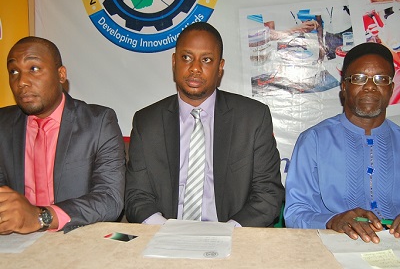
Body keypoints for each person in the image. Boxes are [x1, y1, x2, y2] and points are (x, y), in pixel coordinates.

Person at [124, 22, 284, 227]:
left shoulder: (253, 119)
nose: (195, 68)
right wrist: (165, 231)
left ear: (220, 67)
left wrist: (228, 232)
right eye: (186, 58)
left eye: (206, 60)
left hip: (233, 238)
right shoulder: (146, 122)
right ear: (174, 62)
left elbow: (268, 194)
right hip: (165, 237)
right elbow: (136, 195)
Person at [0, 36, 125, 234]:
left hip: (74, 241)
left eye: (34, 69)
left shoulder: (98, 122)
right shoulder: (3, 124)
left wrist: (41, 217)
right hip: (15, 243)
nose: (21, 82)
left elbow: (109, 200)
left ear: (61, 74)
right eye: (14, 71)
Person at [284, 42, 400, 243]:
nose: (370, 86)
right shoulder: (314, 141)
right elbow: (295, 214)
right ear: (344, 86)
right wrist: (332, 220)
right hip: (333, 248)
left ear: (391, 88)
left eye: (381, 79)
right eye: (359, 78)